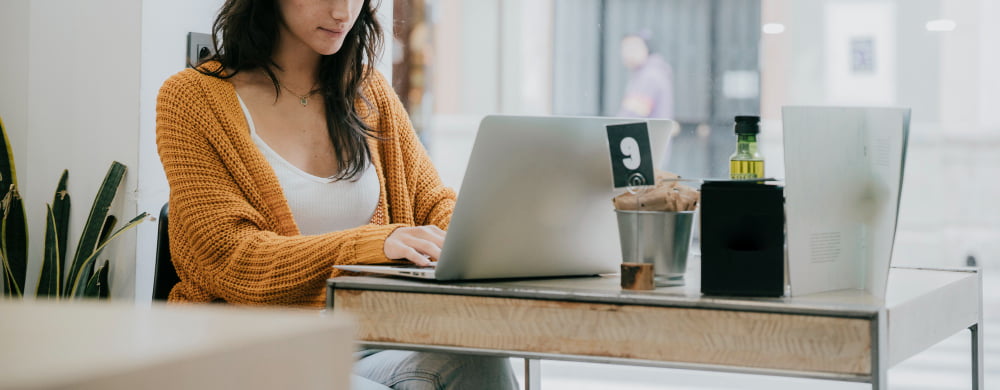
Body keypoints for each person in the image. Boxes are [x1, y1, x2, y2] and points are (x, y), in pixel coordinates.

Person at [154, 0, 518, 389]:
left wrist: (490, 241)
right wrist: (376, 243)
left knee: (480, 361)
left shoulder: (369, 91)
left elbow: (433, 205)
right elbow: (233, 258)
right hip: (246, 348)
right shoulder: (191, 98)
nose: (343, 12)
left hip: (367, 339)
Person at [618, 32, 675, 119]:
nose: (627, 53)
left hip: (648, 132)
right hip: (655, 131)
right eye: (624, 48)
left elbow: (631, 117)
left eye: (633, 48)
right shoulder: (654, 72)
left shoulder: (649, 76)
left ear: (646, 49)